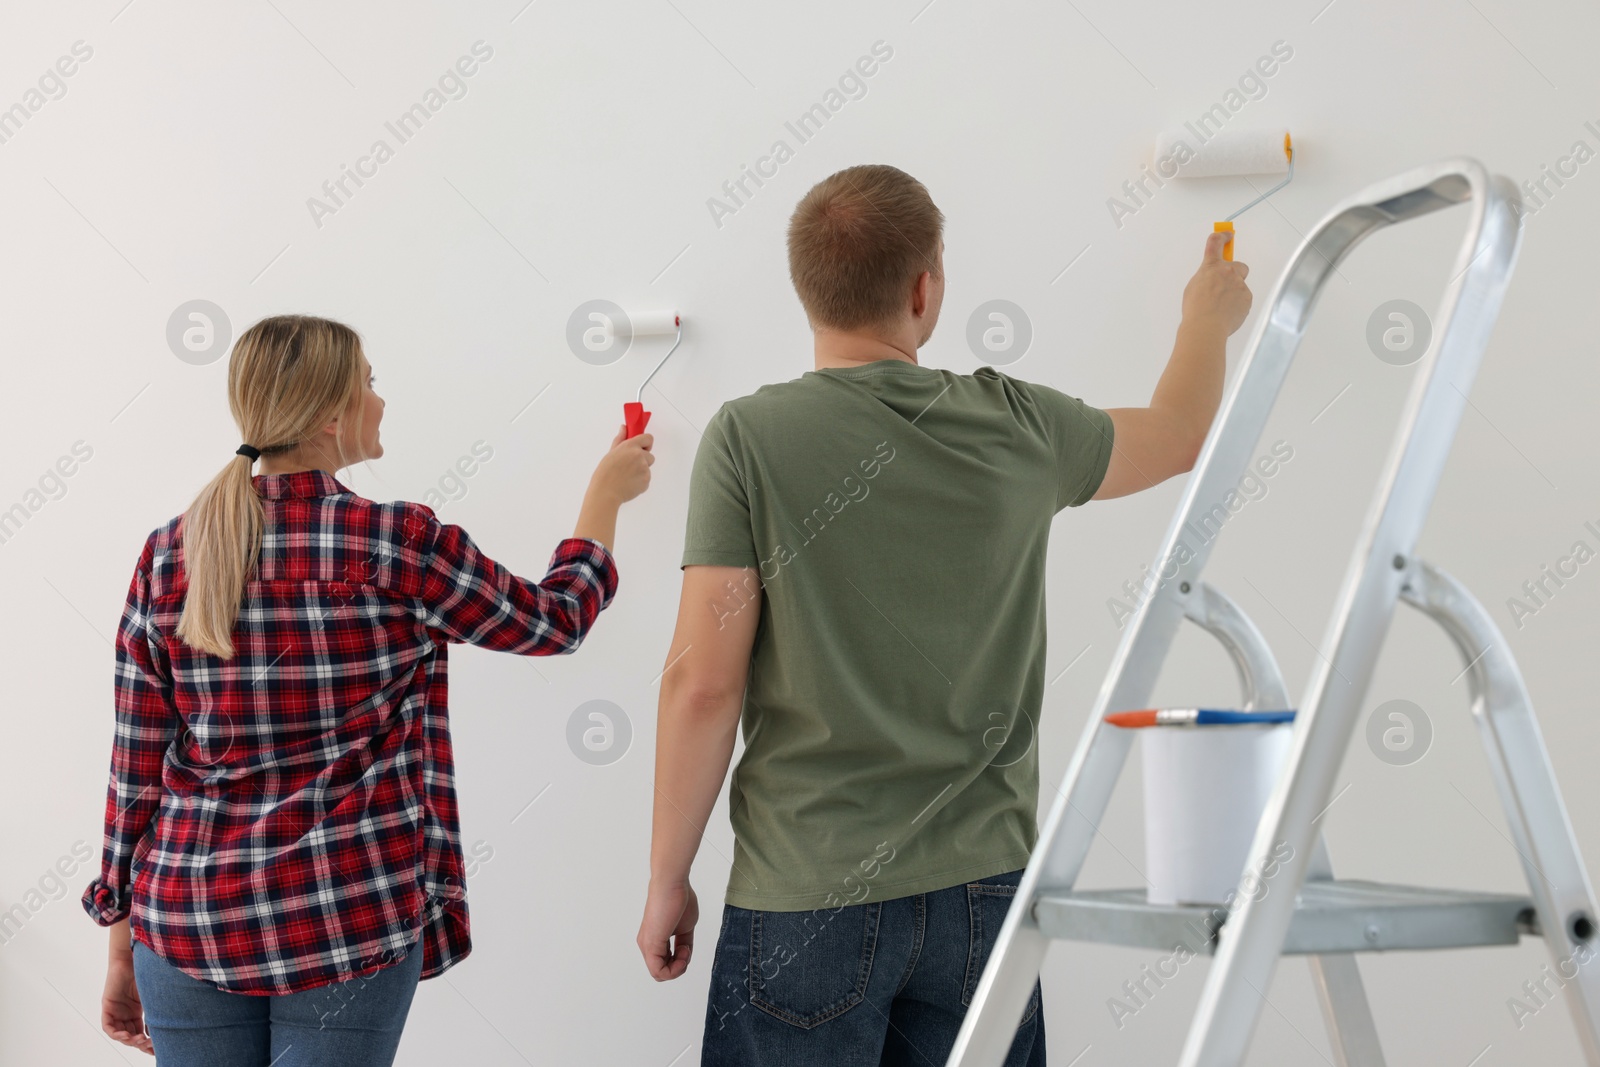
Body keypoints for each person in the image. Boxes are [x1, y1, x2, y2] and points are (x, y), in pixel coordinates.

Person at [635, 164, 1251, 1065]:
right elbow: (1178, 434)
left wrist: (666, 878)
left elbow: (702, 682)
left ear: (807, 291)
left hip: (806, 894)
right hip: (981, 896)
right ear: (925, 290)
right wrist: (1207, 316)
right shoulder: (1016, 426)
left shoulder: (749, 438)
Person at [82, 314, 653, 1065]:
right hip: (348, 918)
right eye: (370, 383)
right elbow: (555, 619)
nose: (381, 400)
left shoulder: (169, 553)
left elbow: (137, 769)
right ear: (330, 414)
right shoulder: (399, 543)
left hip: (187, 923)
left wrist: (121, 942)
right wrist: (604, 497)